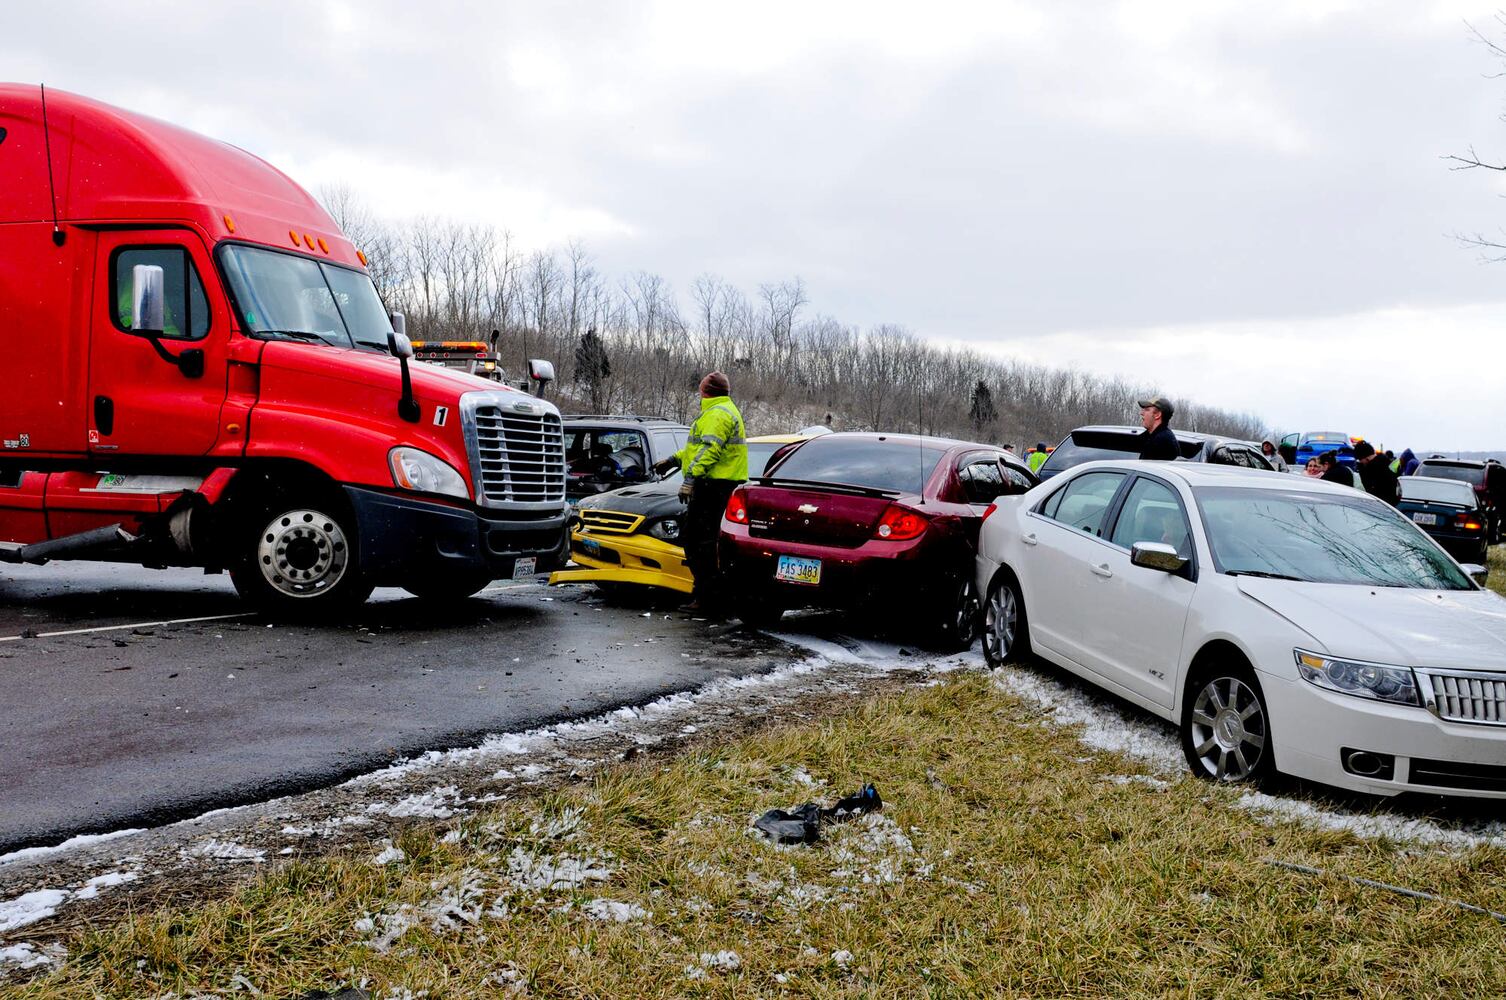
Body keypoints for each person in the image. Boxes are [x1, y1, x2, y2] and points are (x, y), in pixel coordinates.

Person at [653, 371, 747, 612]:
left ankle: (709, 598)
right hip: (713, 486)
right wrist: (674, 460)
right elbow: (697, 450)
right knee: (697, 541)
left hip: (714, 487)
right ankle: (707, 594)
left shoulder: (718, 414)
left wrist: (690, 479)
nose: (698, 390)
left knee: (699, 543)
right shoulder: (717, 411)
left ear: (707, 391)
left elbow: (710, 451)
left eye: (701, 386)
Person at [1353, 441, 1399, 506]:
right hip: (1391, 506)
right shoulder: (1387, 464)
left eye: (1359, 459)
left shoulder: (1371, 470)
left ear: (1366, 458)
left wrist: (1362, 469)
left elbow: (1368, 490)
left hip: (1379, 507)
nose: (1360, 462)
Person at [1137, 396, 1179, 460]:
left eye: (1147, 410)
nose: (1141, 413)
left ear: (1157, 415)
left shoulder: (1162, 441)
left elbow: (1147, 469)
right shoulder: (1153, 436)